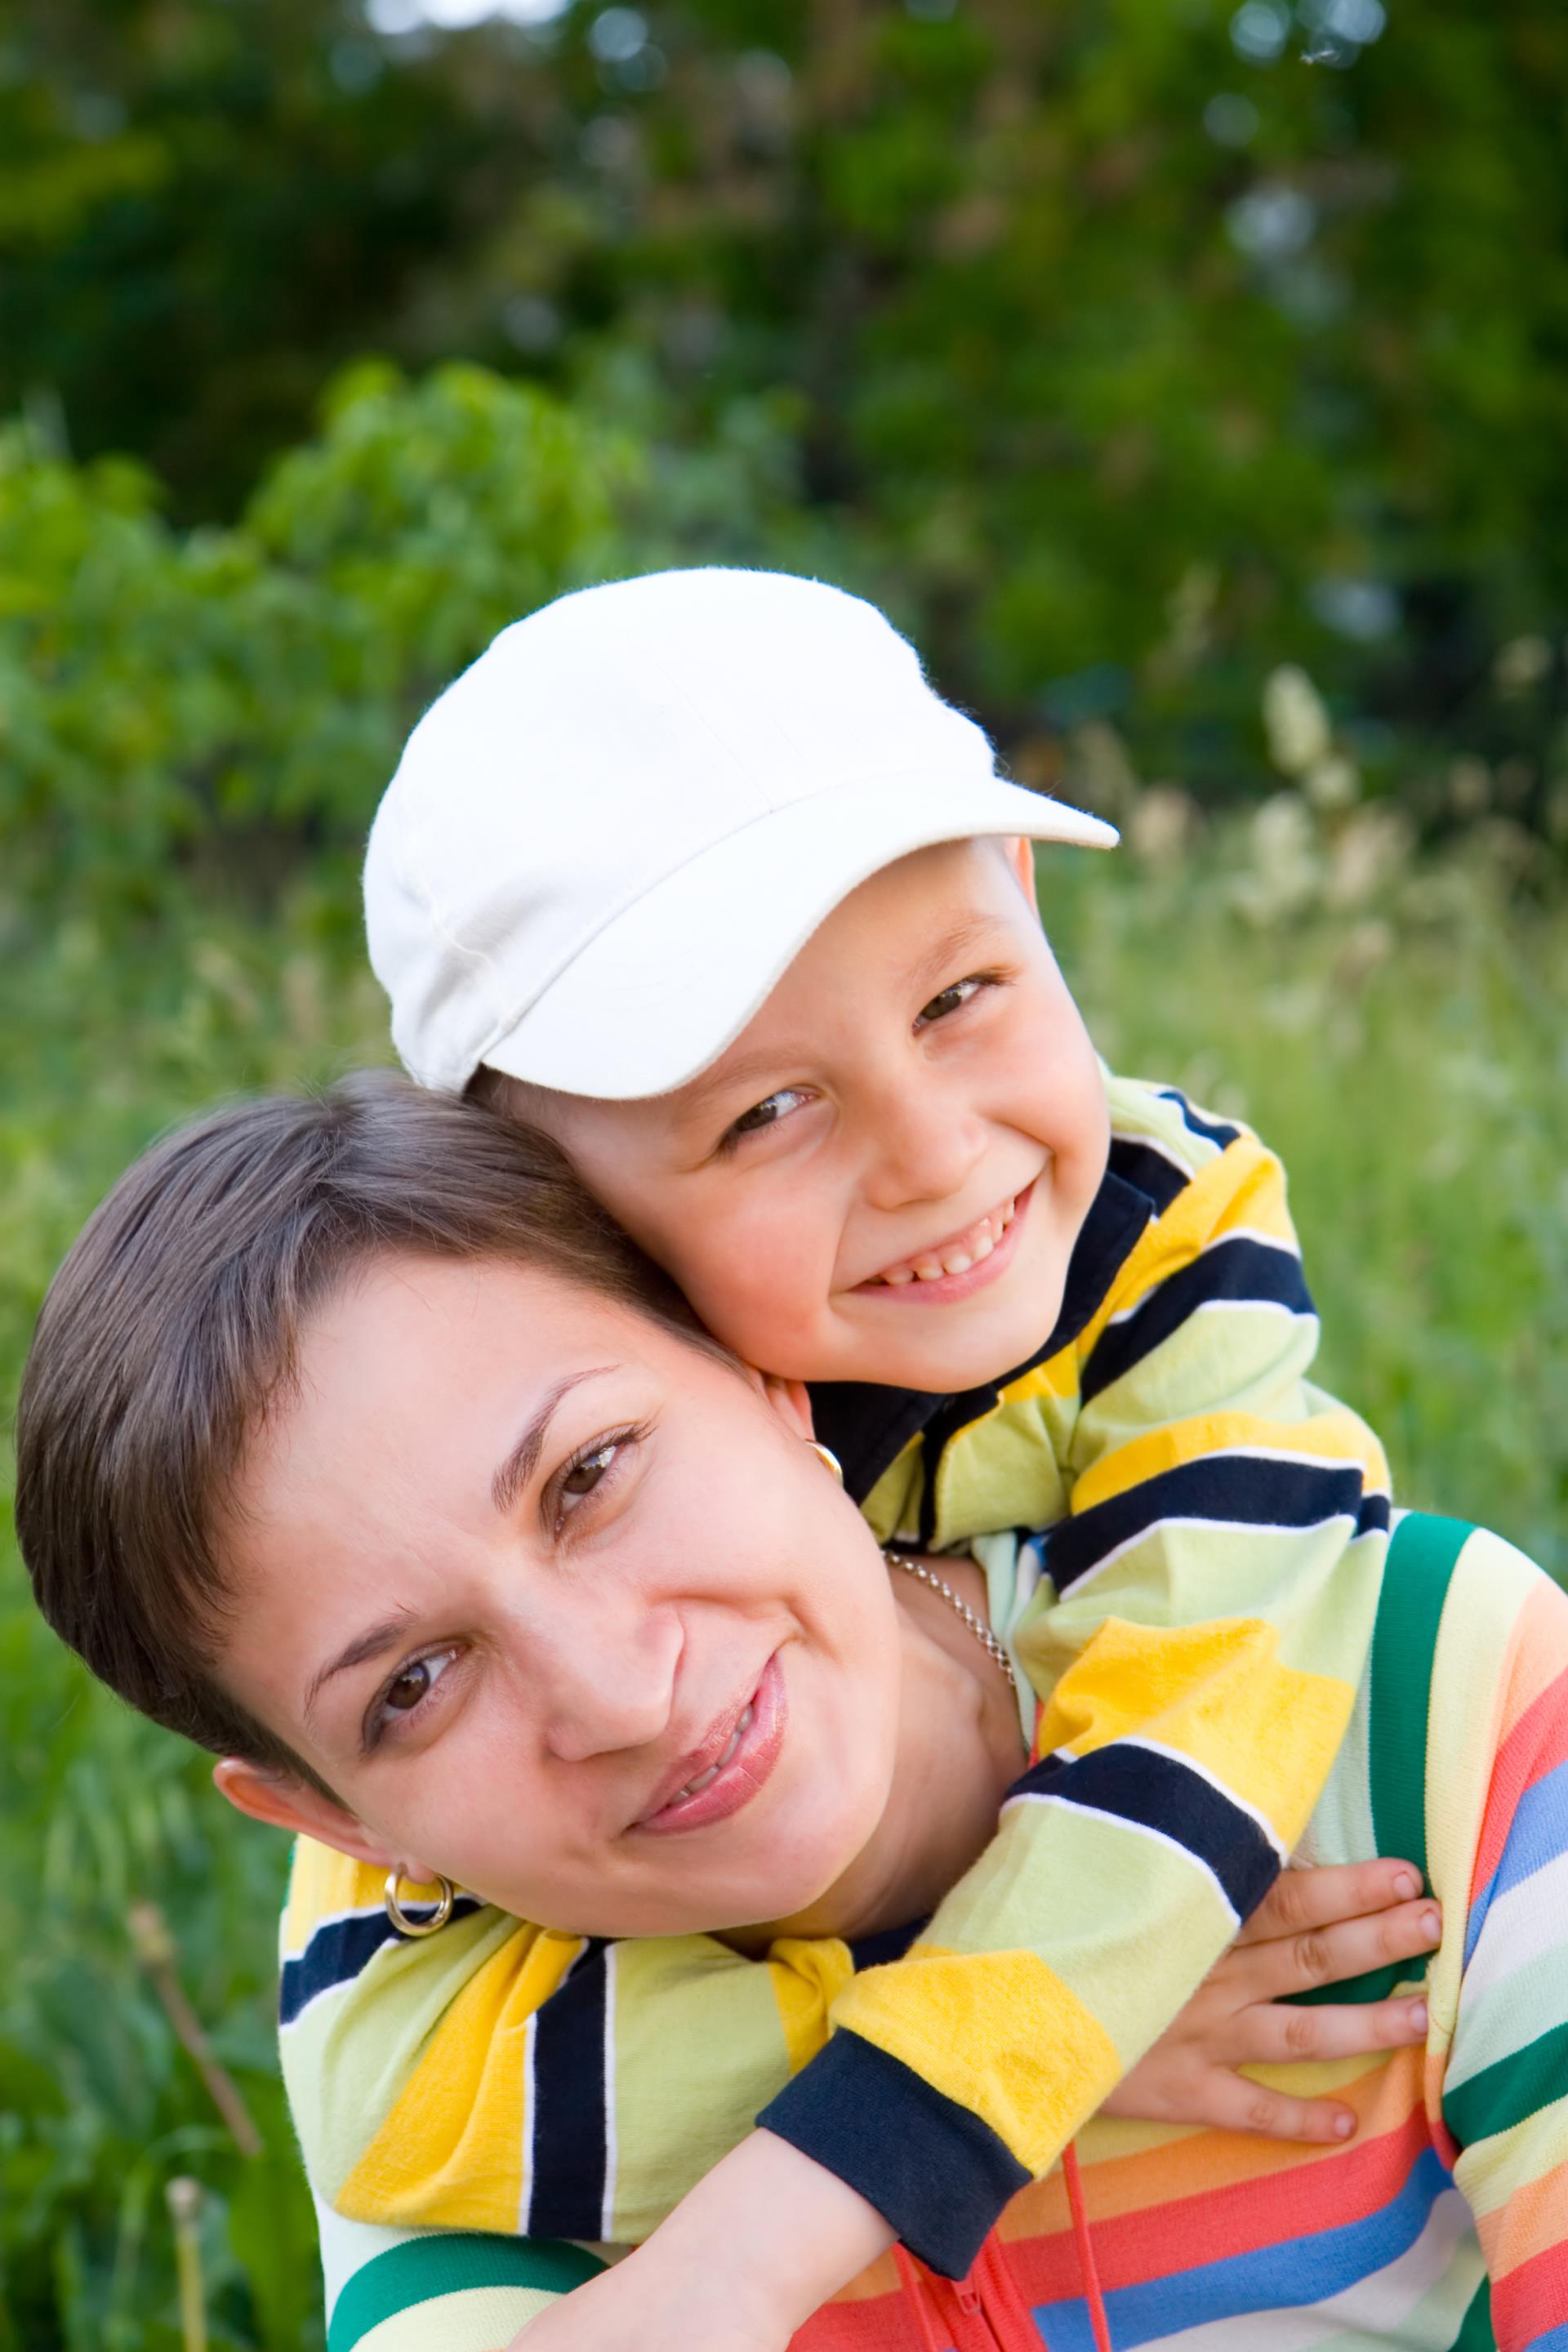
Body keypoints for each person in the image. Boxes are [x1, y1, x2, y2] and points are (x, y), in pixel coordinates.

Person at [14, 1075, 1563, 2350]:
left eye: (591, 1475)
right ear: (335, 1822)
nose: (620, 1695)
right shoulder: (466, 2125)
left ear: (764, 1377)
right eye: (413, 1686)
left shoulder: (1420, 1691)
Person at [278, 566, 1399, 2310]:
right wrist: (1033, 2032)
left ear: (1025, 896)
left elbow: (1209, 1713)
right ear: (540, 1205)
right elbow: (393, 2093)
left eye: (961, 996)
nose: (940, 1154)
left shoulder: (1168, 1233)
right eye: (767, 1112)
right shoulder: (488, 1545)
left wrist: (807, 2192)